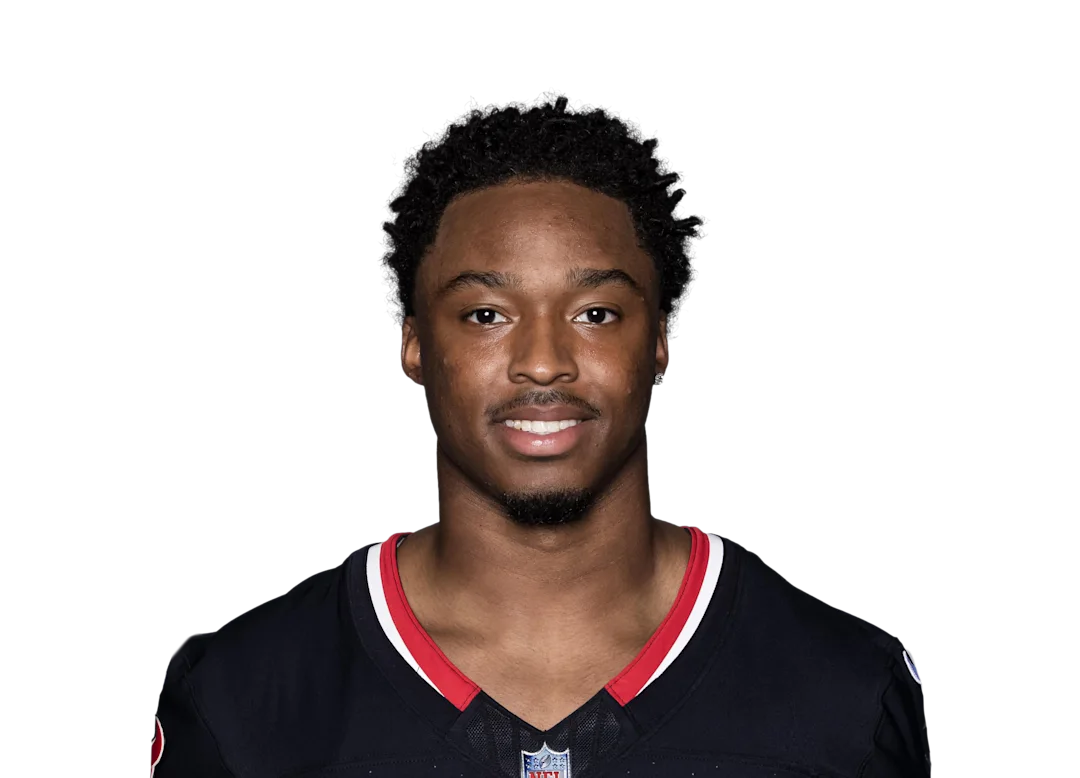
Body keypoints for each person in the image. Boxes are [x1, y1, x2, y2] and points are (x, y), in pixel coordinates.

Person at [149, 87, 932, 777]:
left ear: (659, 341)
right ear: (414, 346)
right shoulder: (242, 701)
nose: (544, 361)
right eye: (486, 314)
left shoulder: (845, 696)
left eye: (596, 313)